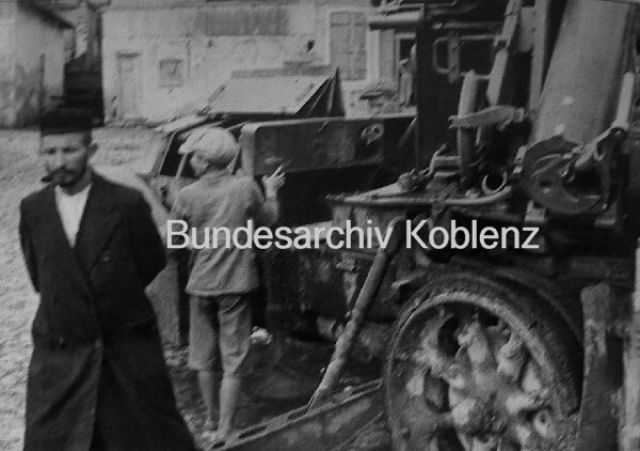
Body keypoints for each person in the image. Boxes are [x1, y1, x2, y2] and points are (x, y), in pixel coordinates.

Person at [19, 109, 196, 451]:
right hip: (62, 353)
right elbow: (43, 278)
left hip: (125, 349)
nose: (59, 161)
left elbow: (150, 262)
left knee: (145, 439)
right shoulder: (33, 209)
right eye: (50, 152)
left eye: (70, 150)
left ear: (91, 151)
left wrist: (109, 292)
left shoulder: (126, 203)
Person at [170, 127, 285, 442]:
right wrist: (271, 191)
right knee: (233, 361)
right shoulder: (244, 187)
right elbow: (268, 219)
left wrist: (193, 244)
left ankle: (210, 421)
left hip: (200, 285)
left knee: (204, 359)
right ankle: (226, 428)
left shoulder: (187, 195)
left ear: (205, 161)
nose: (191, 161)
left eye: (194, 157)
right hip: (235, 286)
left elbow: (174, 240)